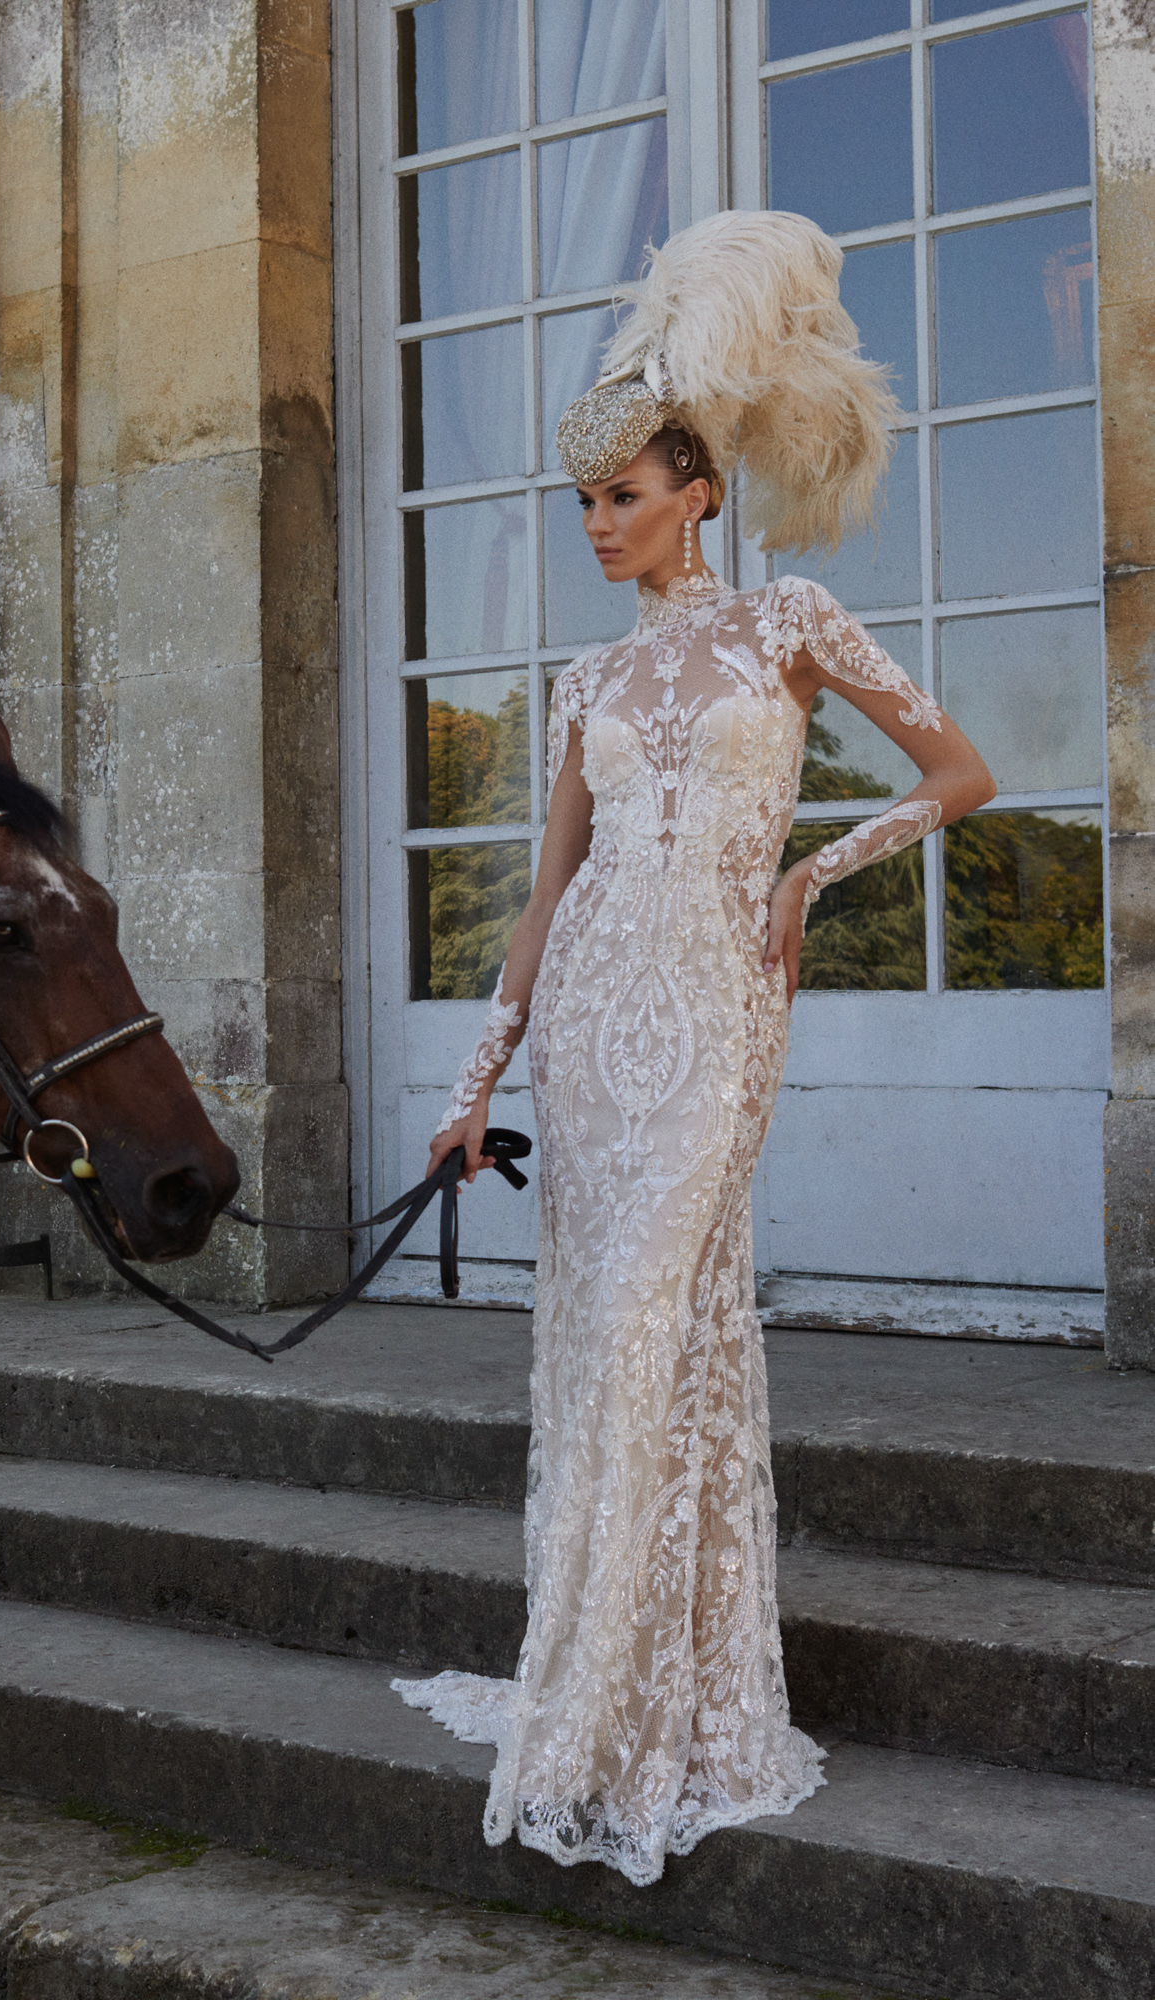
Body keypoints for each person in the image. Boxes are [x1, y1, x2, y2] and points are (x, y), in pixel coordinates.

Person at [391, 209, 995, 1888]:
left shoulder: (790, 620)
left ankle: (656, 1700)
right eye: (584, 504)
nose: (599, 526)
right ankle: (596, 1686)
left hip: (720, 1014)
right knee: (602, 1349)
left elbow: (961, 778)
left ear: (700, 492)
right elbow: (542, 899)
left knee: (664, 1321)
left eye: (626, 497)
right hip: (593, 1029)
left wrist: (819, 866)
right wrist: (473, 1089)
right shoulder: (586, 686)